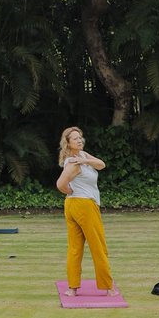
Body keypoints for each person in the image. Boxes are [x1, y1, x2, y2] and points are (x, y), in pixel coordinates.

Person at [56, 126, 116, 296]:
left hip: (74, 206)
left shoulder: (82, 156)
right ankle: (108, 287)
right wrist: (70, 191)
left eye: (80, 137)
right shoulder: (73, 162)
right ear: (68, 143)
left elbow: (101, 164)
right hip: (84, 205)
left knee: (75, 248)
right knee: (98, 246)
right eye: (75, 138)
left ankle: (72, 288)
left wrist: (86, 161)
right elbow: (60, 184)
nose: (79, 140)